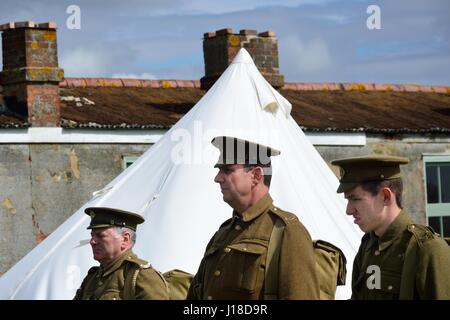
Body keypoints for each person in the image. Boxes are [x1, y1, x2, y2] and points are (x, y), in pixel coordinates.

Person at [187, 136, 319, 300]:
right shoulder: (222, 234)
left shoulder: (286, 231)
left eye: (227, 170)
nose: (217, 178)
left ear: (256, 175)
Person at [331, 155, 450, 299]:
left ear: (385, 196)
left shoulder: (426, 249)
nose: (349, 210)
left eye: (355, 199)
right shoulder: (367, 247)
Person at [74, 207, 169, 300]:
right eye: (92, 236)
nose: (92, 242)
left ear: (125, 239)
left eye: (100, 236)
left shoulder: (142, 275)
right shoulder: (92, 278)